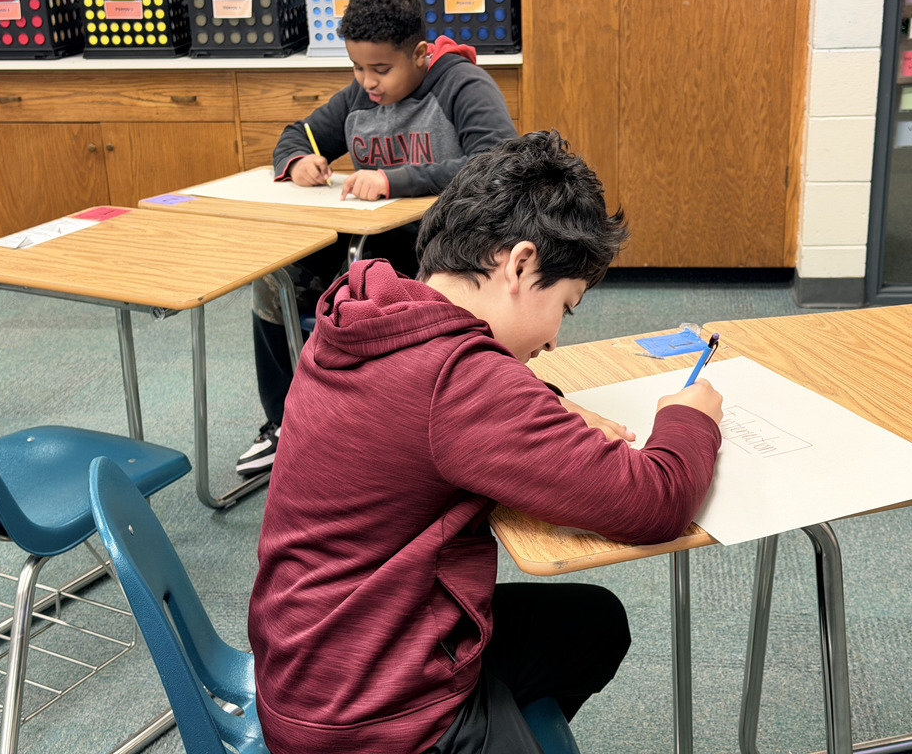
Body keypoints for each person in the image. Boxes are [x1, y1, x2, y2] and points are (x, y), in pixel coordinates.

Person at [248, 130, 724, 754]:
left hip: (311, 657)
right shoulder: (457, 379)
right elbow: (655, 502)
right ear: (521, 265)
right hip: (368, 714)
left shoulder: (370, 308)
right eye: (566, 306)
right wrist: (692, 418)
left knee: (592, 627)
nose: (555, 339)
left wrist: (541, 407)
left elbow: (431, 418)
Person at [237, 0, 517, 477]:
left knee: (376, 300)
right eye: (357, 68)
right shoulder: (358, 96)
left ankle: (394, 428)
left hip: (439, 250)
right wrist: (298, 160)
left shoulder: (463, 86)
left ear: (420, 54)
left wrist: (395, 180)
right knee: (273, 283)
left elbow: (497, 163)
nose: (367, 82)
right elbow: (295, 134)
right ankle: (285, 423)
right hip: (364, 246)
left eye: (381, 70)